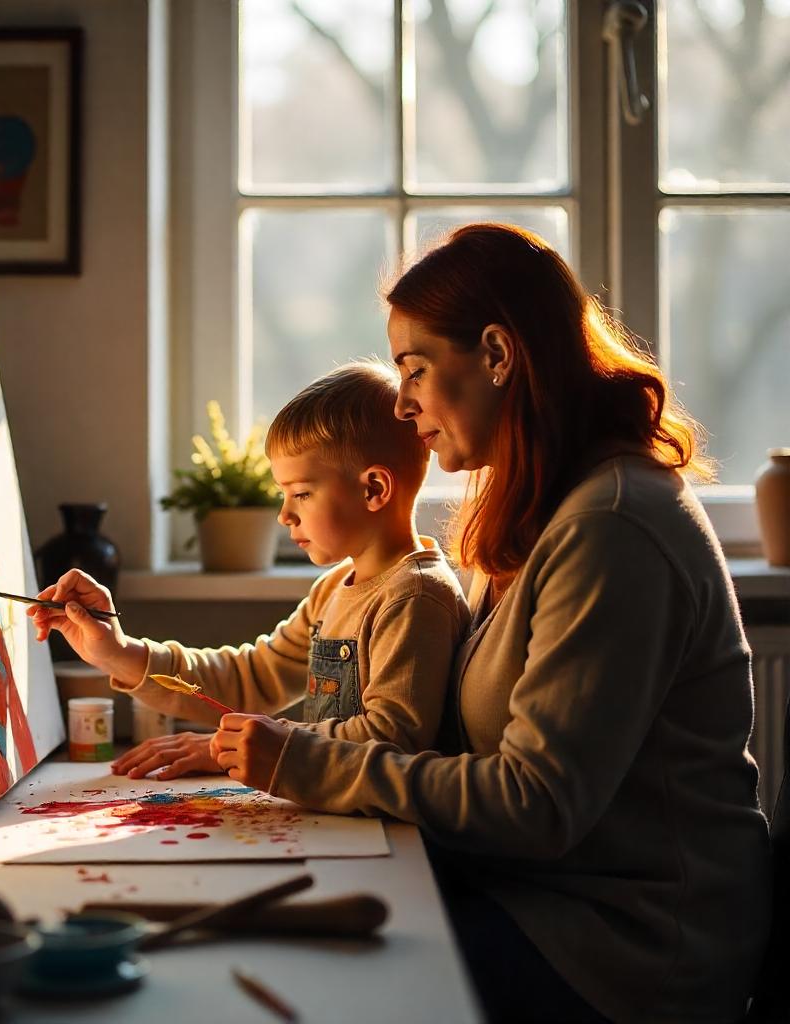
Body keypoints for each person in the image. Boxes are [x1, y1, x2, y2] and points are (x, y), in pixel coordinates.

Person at [208, 224, 773, 1023]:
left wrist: (305, 761)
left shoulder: (611, 526)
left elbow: (535, 804)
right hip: (535, 896)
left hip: (625, 948)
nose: (402, 405)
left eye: (415, 369)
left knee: (302, 982)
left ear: (499, 356)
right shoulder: (542, 505)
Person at [30, 359, 470, 781]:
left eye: (300, 494)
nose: (284, 516)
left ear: (373, 488)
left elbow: (392, 743)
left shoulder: (416, 597)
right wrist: (118, 652)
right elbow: (250, 679)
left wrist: (226, 748)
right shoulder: (334, 588)